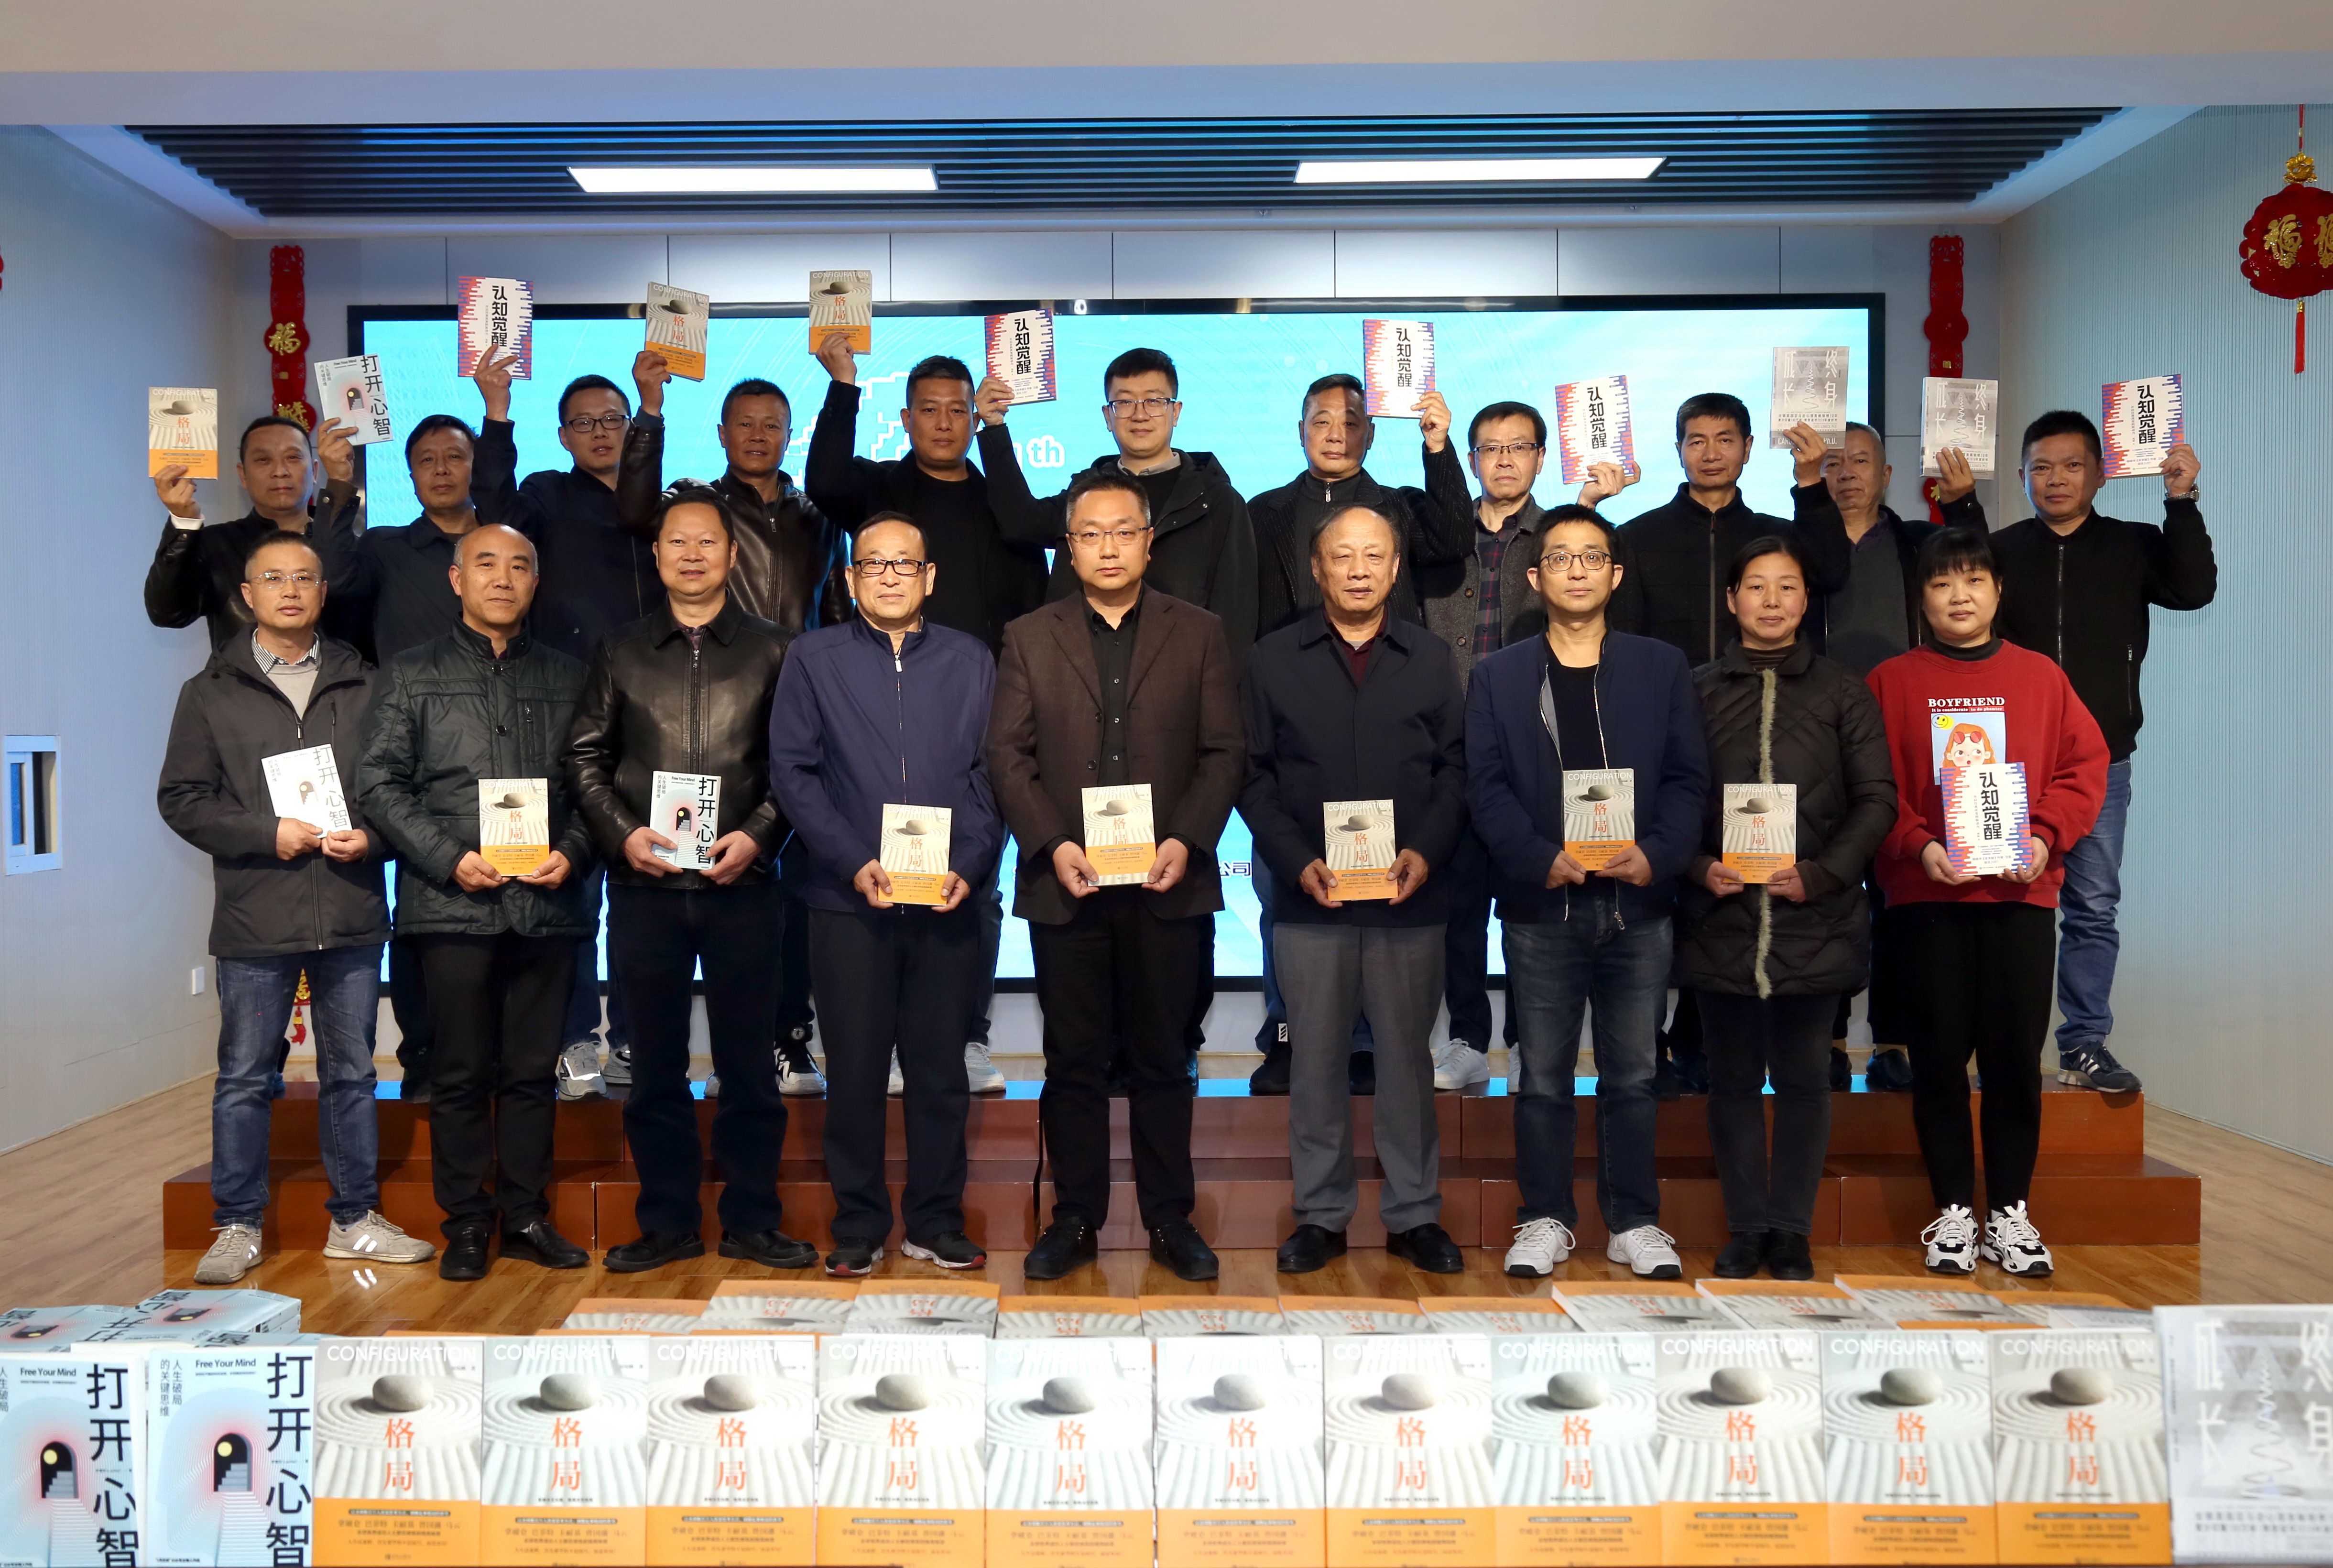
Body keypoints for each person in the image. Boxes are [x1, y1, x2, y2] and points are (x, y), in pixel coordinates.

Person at [158, 532, 437, 1284]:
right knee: (245, 1078)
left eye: (305, 578)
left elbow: (402, 790)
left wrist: (373, 838)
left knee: (352, 1074)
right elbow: (182, 800)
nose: (290, 590)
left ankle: (355, 1220)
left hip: (350, 910)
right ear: (247, 595)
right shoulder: (209, 692)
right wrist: (266, 833)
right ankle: (237, 1225)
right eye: (274, 578)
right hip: (256, 917)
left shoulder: (367, 683)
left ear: (323, 592)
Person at [986, 472, 1243, 1284]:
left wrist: (1189, 840)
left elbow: (1225, 751)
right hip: (1070, 883)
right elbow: (1007, 755)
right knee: (1074, 1060)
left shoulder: (1200, 632)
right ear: (1070, 547)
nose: (1107, 547)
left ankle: (1170, 1216)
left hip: (1169, 881)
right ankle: (1075, 1218)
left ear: (1148, 543)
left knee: (1166, 1057)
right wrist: (1052, 843)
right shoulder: (1030, 635)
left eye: (1123, 532)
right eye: (1091, 534)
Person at [981, 345, 1261, 1077]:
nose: (1140, 413)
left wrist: (1199, 815)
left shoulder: (1219, 504)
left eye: (1154, 400)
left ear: (1177, 410)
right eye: (1124, 402)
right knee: (1078, 1051)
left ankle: (1175, 1064)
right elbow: (1017, 521)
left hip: (1173, 764)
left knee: (1167, 1035)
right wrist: (994, 430)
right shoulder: (1086, 495)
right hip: (1079, 769)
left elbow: (1235, 632)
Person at [565, 488, 814, 1274]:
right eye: (678, 541)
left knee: (749, 1070)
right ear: (658, 554)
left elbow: (797, 765)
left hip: (746, 888)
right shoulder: (621, 649)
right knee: (654, 1072)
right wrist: (622, 834)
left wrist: (760, 835)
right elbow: (585, 757)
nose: (694, 554)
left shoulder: (778, 650)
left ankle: (753, 1221)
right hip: (645, 893)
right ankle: (667, 1223)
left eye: (709, 542)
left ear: (733, 556)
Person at [1465, 505, 1710, 1279]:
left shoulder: (1660, 666)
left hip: (1639, 906)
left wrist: (1658, 856)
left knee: (1634, 1074)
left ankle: (1635, 1222)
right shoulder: (1499, 675)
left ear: (1616, 574)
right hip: (1543, 906)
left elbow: (1689, 778)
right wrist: (1538, 858)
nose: (1576, 569)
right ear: (1536, 578)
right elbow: (1485, 787)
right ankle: (1544, 1217)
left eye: (1592, 556)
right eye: (1560, 557)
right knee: (1541, 1077)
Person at [807, 338, 1047, 1097]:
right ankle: (876, 1041)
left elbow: (1032, 601)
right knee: (872, 883)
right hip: (874, 714)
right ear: (906, 419)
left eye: (958, 411)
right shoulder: (883, 491)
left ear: (974, 418)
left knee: (975, 888)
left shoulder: (1000, 500)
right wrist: (844, 387)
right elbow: (823, 480)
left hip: (972, 718)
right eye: (929, 411)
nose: (944, 423)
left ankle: (967, 1036)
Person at [1589, 396, 1850, 1097]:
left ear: (1747, 448)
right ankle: (1653, 1047)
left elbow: (1833, 571)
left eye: (1725, 439)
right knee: (1667, 887)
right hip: (1673, 730)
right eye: (1696, 440)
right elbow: (1622, 641)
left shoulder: (1773, 535)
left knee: (1742, 890)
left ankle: (1728, 1040)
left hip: (1769, 731)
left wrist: (1809, 485)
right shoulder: (1638, 537)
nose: (1710, 452)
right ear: (1677, 450)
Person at [355, 523, 595, 1282]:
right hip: (449, 904)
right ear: (457, 580)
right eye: (486, 564)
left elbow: (597, 783)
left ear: (535, 583)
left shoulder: (572, 676)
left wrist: (575, 851)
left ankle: (525, 1217)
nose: (503, 578)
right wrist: (447, 857)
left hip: (546, 905)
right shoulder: (411, 673)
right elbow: (378, 784)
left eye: (520, 566)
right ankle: (465, 1222)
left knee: (531, 1071)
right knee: (459, 1073)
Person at [1866, 525, 2107, 1278]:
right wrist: (1916, 845)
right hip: (1927, 898)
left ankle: (2009, 1212)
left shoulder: (2042, 677)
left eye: (1974, 580)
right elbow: (1872, 785)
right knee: (1938, 1060)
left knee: (2013, 1063)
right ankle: (1951, 1213)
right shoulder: (1891, 682)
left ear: (1999, 591)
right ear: (1922, 598)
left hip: (2020, 896)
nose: (1959, 596)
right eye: (1941, 583)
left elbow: (2084, 767)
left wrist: (2044, 835)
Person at [769, 512, 1003, 1277]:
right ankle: (860, 1224)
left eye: (905, 563)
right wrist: (850, 861)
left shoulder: (972, 660)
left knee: (939, 1073)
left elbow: (991, 774)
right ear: (850, 578)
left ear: (930, 577)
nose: (890, 576)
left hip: (946, 900)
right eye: (874, 564)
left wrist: (970, 862)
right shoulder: (813, 658)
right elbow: (794, 773)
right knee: (857, 1073)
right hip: (848, 902)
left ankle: (935, 1221)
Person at [1242, 503, 1469, 1278]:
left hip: (1410, 898)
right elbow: (1252, 775)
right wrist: (1294, 860)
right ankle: (1321, 1216)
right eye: (1343, 556)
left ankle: (1414, 1215)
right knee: (1314, 1064)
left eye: (1375, 555)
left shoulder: (1431, 658)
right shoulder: (1272, 658)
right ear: (1318, 568)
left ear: (1396, 568)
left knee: (1407, 1062)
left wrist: (1426, 852)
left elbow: (1457, 769)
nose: (1359, 569)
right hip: (1312, 897)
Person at [620, 353, 849, 1097]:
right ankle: (693, 1054)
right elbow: (633, 511)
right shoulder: (697, 506)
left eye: (771, 426)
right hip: (711, 704)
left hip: (799, 704)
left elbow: (838, 615)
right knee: (711, 897)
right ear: (721, 433)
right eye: (744, 424)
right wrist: (650, 410)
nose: (757, 436)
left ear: (790, 433)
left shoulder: (819, 518)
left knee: (795, 894)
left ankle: (787, 1041)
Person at [1244, 372, 1474, 1094]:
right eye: (1322, 420)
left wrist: (1436, 447)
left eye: (1350, 421)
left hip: (1383, 707)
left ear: (1371, 434)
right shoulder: (1263, 511)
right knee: (1285, 897)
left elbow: (1454, 537)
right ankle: (1289, 1037)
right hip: (1296, 717)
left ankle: (1373, 1045)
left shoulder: (1396, 506)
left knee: (1390, 909)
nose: (1336, 433)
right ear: (1300, 430)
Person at [1676, 536, 1895, 1282]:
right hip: (1720, 921)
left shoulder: (1844, 693)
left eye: (1787, 587)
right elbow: (1672, 796)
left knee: (1805, 1082)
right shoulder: (1694, 691)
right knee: (1731, 1082)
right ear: (1731, 599)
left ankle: (1791, 1231)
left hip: (1815, 920)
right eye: (1756, 586)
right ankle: (1746, 1228)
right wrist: (1697, 866)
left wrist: (1825, 875)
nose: (1771, 601)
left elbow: (1877, 799)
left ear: (1806, 601)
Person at [1986, 412, 2213, 1096]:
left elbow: (2194, 589)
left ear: (2101, 474)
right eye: (2041, 467)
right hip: (2009, 763)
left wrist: (2180, 501)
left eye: (2071, 465)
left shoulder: (2133, 544)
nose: (2055, 479)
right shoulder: (2000, 551)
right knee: (2004, 905)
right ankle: (2003, 1046)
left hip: (2101, 762)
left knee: (2092, 905)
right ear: (2022, 475)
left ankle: (2083, 1043)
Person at [469, 352, 653, 1102]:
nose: (601, 433)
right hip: (569, 713)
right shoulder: (545, 495)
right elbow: (492, 507)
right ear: (564, 435)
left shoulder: (661, 501)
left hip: (649, 718)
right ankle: (575, 1038)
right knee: (569, 885)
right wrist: (497, 412)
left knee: (641, 890)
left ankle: (634, 1039)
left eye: (614, 420)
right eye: (585, 423)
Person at [1789, 424, 1977, 1092]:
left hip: (1905, 739)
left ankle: (1894, 1041)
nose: (1845, 473)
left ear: (1888, 473)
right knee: (1825, 894)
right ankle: (1829, 1040)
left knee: (1901, 897)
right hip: (1817, 740)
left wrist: (1961, 505)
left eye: (1860, 461)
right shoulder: (1798, 546)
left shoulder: (1918, 543)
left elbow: (1976, 570)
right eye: (1833, 463)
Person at [313, 412, 481, 1102]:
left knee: (509, 906)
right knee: (419, 913)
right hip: (413, 755)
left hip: (503, 745)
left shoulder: (503, 545)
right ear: (409, 475)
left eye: (454, 457)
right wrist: (338, 485)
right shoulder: (384, 547)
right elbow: (331, 579)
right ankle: (423, 1059)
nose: (441, 469)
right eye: (426, 460)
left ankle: (504, 1058)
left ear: (475, 466)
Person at [1415, 399, 1561, 1093]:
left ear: (1540, 457)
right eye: (1490, 448)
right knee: (1458, 909)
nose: (1504, 460)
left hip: (1532, 748)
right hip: (1449, 747)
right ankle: (1468, 1041)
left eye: (1519, 447)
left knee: (1531, 907)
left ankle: (1531, 1042)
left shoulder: (1560, 538)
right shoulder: (1439, 535)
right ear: (1470, 460)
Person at [147, 414, 361, 652]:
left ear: (314, 470)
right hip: (244, 677)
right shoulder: (216, 545)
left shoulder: (353, 547)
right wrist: (184, 522)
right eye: (263, 460)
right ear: (243, 475)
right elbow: (167, 613)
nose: (280, 471)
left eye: (292, 457)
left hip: (341, 675)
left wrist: (340, 484)